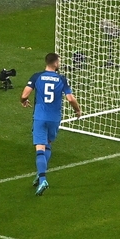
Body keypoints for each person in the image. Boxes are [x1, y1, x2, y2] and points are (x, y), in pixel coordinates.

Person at [20, 53, 81, 196]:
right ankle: (41, 174)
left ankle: (42, 179)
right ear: (55, 63)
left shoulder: (37, 76)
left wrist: (23, 100)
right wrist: (77, 110)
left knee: (39, 147)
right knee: (47, 144)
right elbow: (71, 98)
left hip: (40, 117)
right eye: (59, 61)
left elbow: (25, 94)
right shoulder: (62, 79)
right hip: (55, 118)